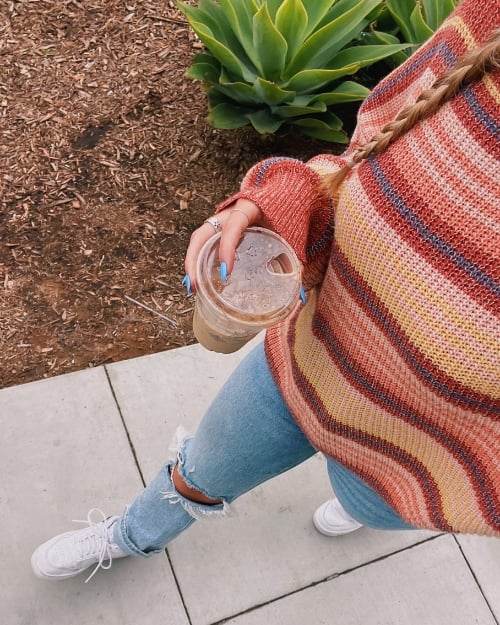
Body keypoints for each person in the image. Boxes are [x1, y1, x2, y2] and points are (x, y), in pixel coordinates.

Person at [31, 0, 499, 583]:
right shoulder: (487, 22)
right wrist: (282, 203)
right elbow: (359, 158)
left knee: (364, 506)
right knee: (202, 469)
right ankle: (133, 534)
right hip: (313, 353)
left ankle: (358, 498)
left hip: (437, 448)